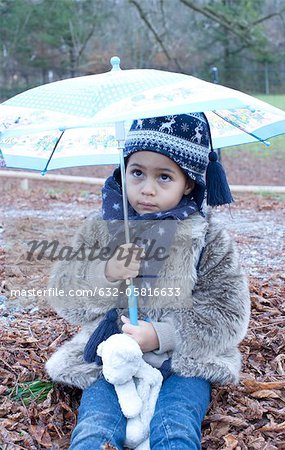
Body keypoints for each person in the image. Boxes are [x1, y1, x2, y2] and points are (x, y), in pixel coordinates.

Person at [45, 113, 250, 450]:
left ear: (189, 183)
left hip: (184, 360)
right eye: (137, 172)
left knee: (175, 425)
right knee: (95, 427)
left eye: (164, 176)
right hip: (112, 352)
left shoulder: (208, 236)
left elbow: (229, 313)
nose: (147, 188)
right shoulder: (103, 226)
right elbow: (65, 295)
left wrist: (160, 335)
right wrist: (106, 274)